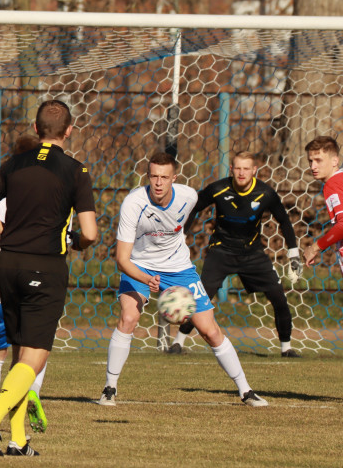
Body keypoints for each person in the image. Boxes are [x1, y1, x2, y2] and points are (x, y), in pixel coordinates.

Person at [0, 100, 98, 458]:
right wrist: (78, 241)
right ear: (68, 131)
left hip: (7, 266)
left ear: (37, 128)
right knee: (34, 358)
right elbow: (90, 232)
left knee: (19, 356)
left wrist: (7, 230)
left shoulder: (13, 164)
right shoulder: (75, 170)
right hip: (45, 267)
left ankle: (19, 440)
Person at [99, 151, 268, 408]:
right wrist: (147, 278)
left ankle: (246, 390)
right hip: (139, 266)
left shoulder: (188, 196)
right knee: (129, 317)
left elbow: (194, 215)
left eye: (164, 177)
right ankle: (109, 389)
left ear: (173, 178)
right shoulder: (133, 203)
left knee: (210, 331)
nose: (158, 182)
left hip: (179, 268)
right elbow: (122, 259)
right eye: (154, 176)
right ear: (148, 176)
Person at [168, 152, 304, 358]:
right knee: (199, 298)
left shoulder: (265, 193)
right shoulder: (218, 188)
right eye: (238, 168)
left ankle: (286, 348)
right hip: (221, 251)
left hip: (252, 253)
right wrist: (180, 236)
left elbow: (284, 221)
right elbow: (193, 208)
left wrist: (293, 252)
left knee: (278, 297)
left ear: (254, 171)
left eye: (246, 169)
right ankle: (178, 343)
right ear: (231, 169)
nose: (241, 173)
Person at [0, 134, 50, 433]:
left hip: (1, 281)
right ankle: (30, 394)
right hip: (39, 279)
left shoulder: (4, 194)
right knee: (33, 351)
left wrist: (2, 230)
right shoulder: (55, 192)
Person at [303, 136, 343, 274]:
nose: (313, 166)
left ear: (335, 160)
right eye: (310, 161)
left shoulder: (334, 184)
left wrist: (314, 248)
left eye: (318, 160)